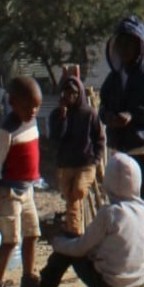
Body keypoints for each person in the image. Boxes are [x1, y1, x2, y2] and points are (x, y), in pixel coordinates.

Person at [27, 153, 144, 287]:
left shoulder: (110, 213)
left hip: (109, 285)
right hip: (139, 282)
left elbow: (80, 248)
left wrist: (57, 241)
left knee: (68, 246)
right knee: (74, 245)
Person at [0, 76, 42, 287]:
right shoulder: (5, 132)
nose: (33, 111)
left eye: (36, 107)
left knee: (32, 233)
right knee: (11, 239)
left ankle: (28, 278)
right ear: (12, 102)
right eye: (28, 106)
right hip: (9, 193)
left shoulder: (32, 123)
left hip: (27, 190)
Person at [98, 17, 144, 198]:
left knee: (139, 195)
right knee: (116, 195)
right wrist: (110, 117)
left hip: (141, 147)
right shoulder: (113, 77)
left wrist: (133, 115)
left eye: (130, 44)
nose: (125, 49)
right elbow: (102, 108)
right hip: (117, 147)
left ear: (140, 46)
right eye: (121, 44)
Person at [48, 70, 103, 237]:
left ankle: (76, 232)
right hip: (66, 164)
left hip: (85, 163)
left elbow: (99, 138)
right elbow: (56, 138)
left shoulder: (89, 114)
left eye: (74, 93)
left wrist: (96, 159)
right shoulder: (56, 115)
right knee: (70, 200)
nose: (70, 96)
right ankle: (76, 233)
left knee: (77, 192)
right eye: (67, 93)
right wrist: (63, 117)